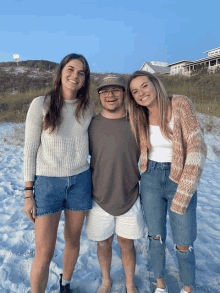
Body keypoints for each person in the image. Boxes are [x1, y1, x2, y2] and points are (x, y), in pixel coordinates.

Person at [127, 70, 207, 293]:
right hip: (150, 178)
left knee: (183, 242)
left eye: (144, 86)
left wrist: (184, 191)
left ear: (155, 83)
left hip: (180, 177)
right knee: (155, 236)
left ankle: (187, 288)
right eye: (135, 91)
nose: (141, 93)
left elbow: (197, 148)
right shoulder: (138, 116)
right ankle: (160, 285)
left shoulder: (181, 104)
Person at [23, 53, 95, 293]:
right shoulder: (40, 104)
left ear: (85, 79)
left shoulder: (88, 107)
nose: (75, 76)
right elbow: (30, 150)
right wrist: (27, 193)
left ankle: (65, 284)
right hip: (47, 184)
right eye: (71, 69)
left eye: (81, 73)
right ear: (61, 71)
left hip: (80, 181)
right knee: (44, 252)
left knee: (73, 240)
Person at [85, 73, 144, 293]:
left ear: (124, 94)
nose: (110, 95)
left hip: (130, 194)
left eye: (116, 90)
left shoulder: (138, 122)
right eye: (105, 91)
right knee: (103, 243)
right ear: (99, 96)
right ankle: (106, 281)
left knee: (127, 244)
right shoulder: (91, 125)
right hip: (98, 197)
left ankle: (130, 284)